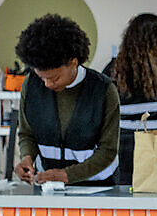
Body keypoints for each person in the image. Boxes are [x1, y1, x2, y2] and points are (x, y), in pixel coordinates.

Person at [13, 14, 120, 186]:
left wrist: (67, 175)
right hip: (49, 186)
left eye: (54, 78)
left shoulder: (103, 90)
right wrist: (27, 158)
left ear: (73, 63)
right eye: (42, 77)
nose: (47, 84)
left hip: (97, 186)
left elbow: (107, 151)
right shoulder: (31, 85)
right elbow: (27, 134)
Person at [103, 13, 157, 185]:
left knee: (128, 188)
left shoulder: (115, 67)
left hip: (127, 138)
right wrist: (156, 27)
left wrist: (137, 27)